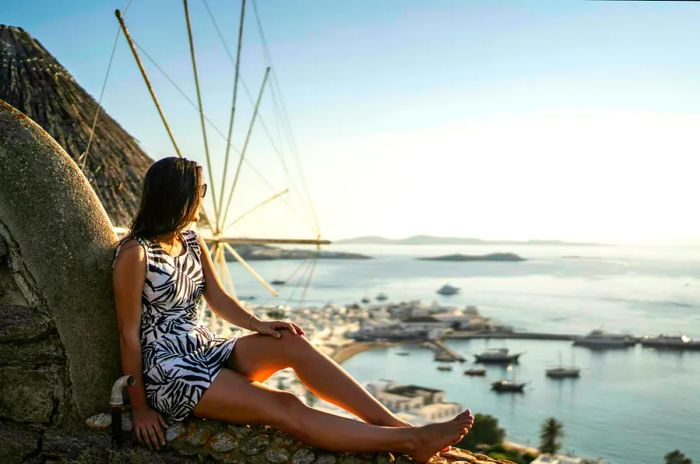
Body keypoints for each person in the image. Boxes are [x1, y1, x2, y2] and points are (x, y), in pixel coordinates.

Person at [112, 157, 474, 463]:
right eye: (201, 191)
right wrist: (141, 408)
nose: (203, 198)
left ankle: (398, 426)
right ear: (181, 196)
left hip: (204, 347)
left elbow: (218, 299)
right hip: (168, 369)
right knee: (284, 405)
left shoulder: (191, 240)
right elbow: (129, 336)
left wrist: (259, 324)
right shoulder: (136, 254)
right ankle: (409, 443)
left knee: (289, 342)